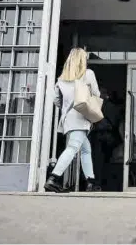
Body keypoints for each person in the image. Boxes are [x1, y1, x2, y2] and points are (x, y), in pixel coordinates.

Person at [44, 48, 100, 193]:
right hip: (81, 117)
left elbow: (56, 100)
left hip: (68, 118)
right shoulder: (88, 74)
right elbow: (96, 94)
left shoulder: (62, 79)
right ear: (82, 60)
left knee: (86, 150)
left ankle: (90, 182)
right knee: (73, 148)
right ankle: (53, 178)